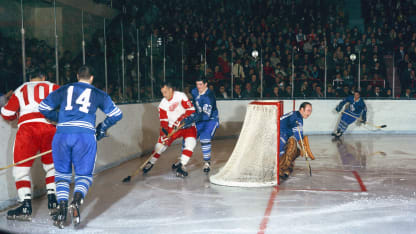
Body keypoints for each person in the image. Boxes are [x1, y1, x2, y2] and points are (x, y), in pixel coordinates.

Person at [39, 65, 122, 228]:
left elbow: (43, 107)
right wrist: (102, 127)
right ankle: (76, 201)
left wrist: (59, 118)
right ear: (92, 78)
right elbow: (116, 114)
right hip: (85, 136)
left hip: (62, 135)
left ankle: (61, 209)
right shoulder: (99, 94)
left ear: (77, 76)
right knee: (83, 175)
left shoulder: (64, 89)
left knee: (62, 174)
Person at [1, 69, 59, 221]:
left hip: (27, 130)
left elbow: (6, 114)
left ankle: (25, 205)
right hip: (49, 128)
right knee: (52, 166)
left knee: (20, 170)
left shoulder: (21, 89)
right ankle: (53, 200)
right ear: (44, 76)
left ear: (29, 78)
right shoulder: (52, 86)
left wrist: (16, 113)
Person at [142, 82, 197, 178]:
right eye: (162, 92)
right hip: (172, 128)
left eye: (165, 92)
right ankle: (151, 162)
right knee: (160, 145)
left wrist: (180, 120)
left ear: (171, 90)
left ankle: (182, 165)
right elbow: (163, 122)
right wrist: (164, 132)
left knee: (191, 143)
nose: (164, 95)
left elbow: (191, 110)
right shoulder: (162, 105)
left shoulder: (181, 96)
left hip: (187, 125)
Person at [190, 77, 219, 173]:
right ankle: (182, 160)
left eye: (201, 84)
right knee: (189, 137)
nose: (198, 87)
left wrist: (192, 119)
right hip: (199, 119)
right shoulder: (194, 91)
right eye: (197, 84)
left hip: (210, 120)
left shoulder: (209, 96)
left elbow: (206, 116)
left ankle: (207, 162)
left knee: (204, 136)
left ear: (206, 84)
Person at [279, 102, 314, 179]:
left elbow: (299, 135)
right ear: (301, 109)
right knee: (292, 145)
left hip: (280, 135)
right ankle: (280, 169)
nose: (309, 113)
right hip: (279, 136)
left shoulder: (296, 114)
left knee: (297, 152)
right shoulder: (297, 118)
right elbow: (298, 136)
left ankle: (286, 168)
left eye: (311, 111)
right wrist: (304, 147)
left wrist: (303, 148)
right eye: (308, 110)